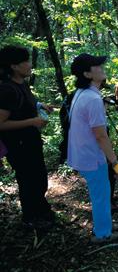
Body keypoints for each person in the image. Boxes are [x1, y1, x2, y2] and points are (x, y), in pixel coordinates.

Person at [68, 53, 118, 243]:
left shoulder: (83, 94)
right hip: (91, 156)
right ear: (87, 74)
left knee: (102, 192)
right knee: (100, 194)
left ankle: (104, 223)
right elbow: (100, 136)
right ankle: (103, 233)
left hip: (82, 153)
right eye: (96, 66)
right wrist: (115, 163)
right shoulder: (92, 98)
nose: (101, 68)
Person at [0, 45, 55, 229]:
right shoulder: (7, 90)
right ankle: (31, 218)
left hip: (30, 141)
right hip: (18, 145)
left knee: (39, 177)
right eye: (26, 61)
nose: (30, 65)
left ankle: (41, 209)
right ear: (14, 66)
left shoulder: (21, 84)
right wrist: (32, 121)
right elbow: (1, 123)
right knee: (28, 179)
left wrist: (40, 105)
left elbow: (25, 104)